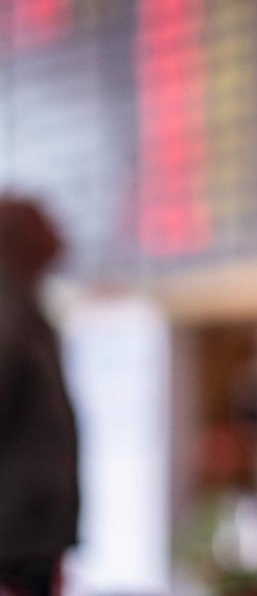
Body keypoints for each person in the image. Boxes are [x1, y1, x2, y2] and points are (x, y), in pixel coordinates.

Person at [0, 197, 79, 596]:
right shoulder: (8, 309)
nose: (60, 235)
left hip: (29, 536)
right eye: (46, 225)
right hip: (16, 538)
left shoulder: (24, 305)